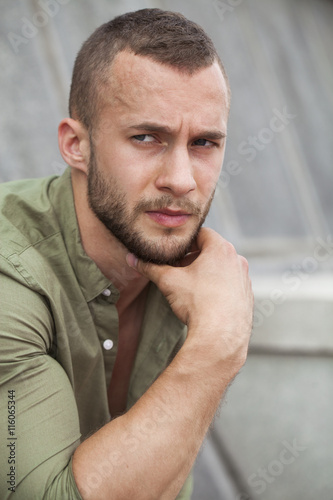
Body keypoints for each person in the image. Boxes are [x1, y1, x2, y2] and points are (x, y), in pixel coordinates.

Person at [0, 8, 253, 500]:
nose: (181, 180)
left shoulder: (196, 273)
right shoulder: (11, 282)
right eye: (146, 138)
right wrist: (216, 347)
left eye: (203, 143)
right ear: (77, 145)